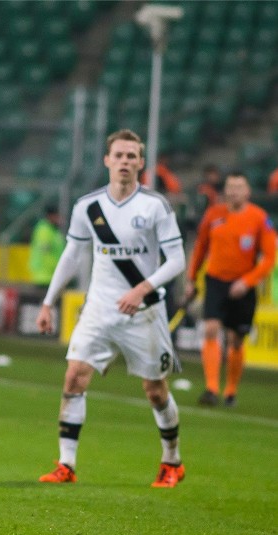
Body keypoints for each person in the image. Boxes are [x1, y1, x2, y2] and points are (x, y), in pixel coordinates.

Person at [35, 129, 187, 488]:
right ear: (107, 160)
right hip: (99, 308)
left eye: (131, 156)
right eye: (118, 155)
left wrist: (143, 288)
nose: (124, 162)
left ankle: (172, 461)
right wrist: (47, 302)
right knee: (74, 376)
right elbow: (72, 255)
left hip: (144, 311)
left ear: (141, 162)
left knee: (155, 389)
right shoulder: (88, 206)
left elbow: (177, 259)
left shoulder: (155, 206)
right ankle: (66, 464)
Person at [185, 171, 276, 408]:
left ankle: (231, 391)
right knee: (211, 328)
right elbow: (201, 247)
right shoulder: (213, 215)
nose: (234, 191)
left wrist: (248, 281)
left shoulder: (259, 218)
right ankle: (211, 388)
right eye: (231, 187)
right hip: (215, 280)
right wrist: (191, 279)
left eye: (239, 187)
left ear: (247, 191)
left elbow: (268, 257)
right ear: (225, 190)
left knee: (236, 340)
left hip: (243, 285)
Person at [28, 205, 65, 290]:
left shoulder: (53, 230)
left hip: (52, 274)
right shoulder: (44, 229)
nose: (59, 219)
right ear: (50, 216)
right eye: (57, 216)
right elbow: (45, 251)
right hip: (43, 275)